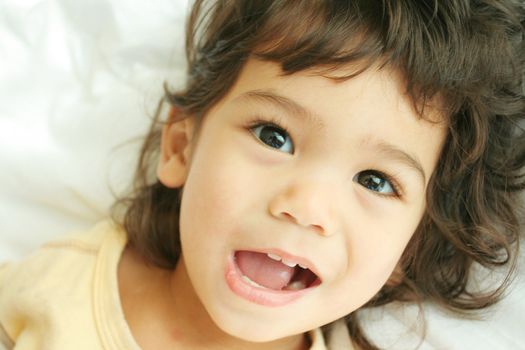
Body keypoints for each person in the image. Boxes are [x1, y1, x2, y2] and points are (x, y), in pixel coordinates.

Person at [1, 0, 524, 349]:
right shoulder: (54, 286)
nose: (306, 206)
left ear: (407, 251)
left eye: (375, 181)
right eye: (274, 136)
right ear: (182, 146)